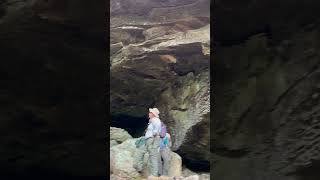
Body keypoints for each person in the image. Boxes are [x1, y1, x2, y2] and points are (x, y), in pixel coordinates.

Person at [134, 108, 162, 176]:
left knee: (153, 157)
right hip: (148, 139)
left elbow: (157, 127)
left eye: (150, 112)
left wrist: (154, 134)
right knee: (140, 152)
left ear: (153, 114)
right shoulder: (152, 120)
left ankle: (154, 175)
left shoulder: (156, 120)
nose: (149, 113)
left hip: (152, 139)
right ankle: (139, 168)